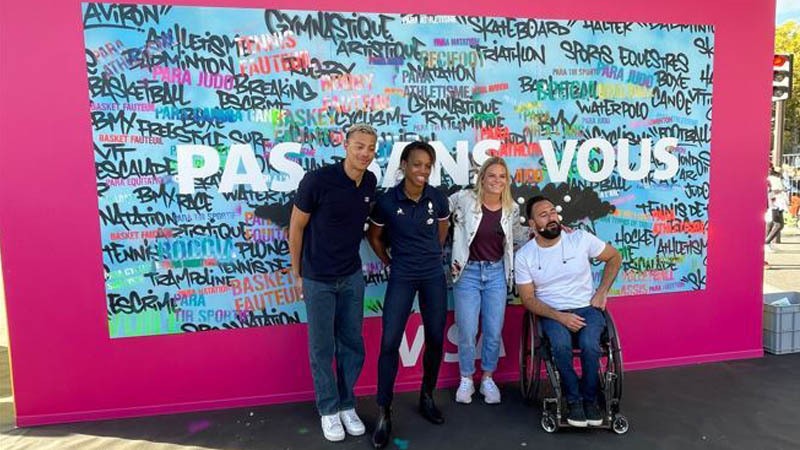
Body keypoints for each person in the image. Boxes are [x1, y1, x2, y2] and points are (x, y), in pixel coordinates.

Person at [288, 123, 378, 442]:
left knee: (352, 343)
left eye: (370, 148)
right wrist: (297, 273)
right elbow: (296, 227)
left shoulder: (370, 181)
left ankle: (346, 404)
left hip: (352, 276)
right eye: (359, 146)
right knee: (322, 347)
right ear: (345, 146)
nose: (365, 153)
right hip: (318, 278)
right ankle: (328, 409)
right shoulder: (317, 180)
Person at [366, 141, 450, 449]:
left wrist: (432, 253)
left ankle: (426, 396)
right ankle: (384, 411)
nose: (423, 171)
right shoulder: (387, 201)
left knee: (437, 338)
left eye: (428, 166)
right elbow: (373, 235)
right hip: (402, 275)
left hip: (432, 275)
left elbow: (443, 228)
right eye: (417, 164)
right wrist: (389, 261)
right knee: (390, 342)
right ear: (403, 165)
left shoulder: (437, 198)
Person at [514, 196, 622, 427]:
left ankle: (590, 400)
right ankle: (574, 401)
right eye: (543, 215)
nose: (551, 217)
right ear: (532, 224)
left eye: (553, 212)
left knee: (590, 345)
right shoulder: (525, 256)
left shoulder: (580, 239)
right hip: (552, 312)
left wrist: (602, 291)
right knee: (560, 346)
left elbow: (614, 257)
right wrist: (559, 316)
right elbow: (528, 299)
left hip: (587, 307)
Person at [449, 157, 526, 404]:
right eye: (492, 175)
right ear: (481, 178)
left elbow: (517, 236)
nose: (497, 180)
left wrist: (543, 231)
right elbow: (438, 213)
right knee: (468, 330)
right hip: (467, 272)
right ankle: (466, 379)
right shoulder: (463, 199)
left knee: (493, 331)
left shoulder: (511, 207)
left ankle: (488, 378)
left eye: (502, 176)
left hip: (495, 274)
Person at [766, 165, 789, 250]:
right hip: (776, 203)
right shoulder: (774, 179)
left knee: (771, 222)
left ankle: (767, 243)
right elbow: (773, 191)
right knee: (779, 224)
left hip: (777, 203)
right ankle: (766, 242)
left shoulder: (773, 179)